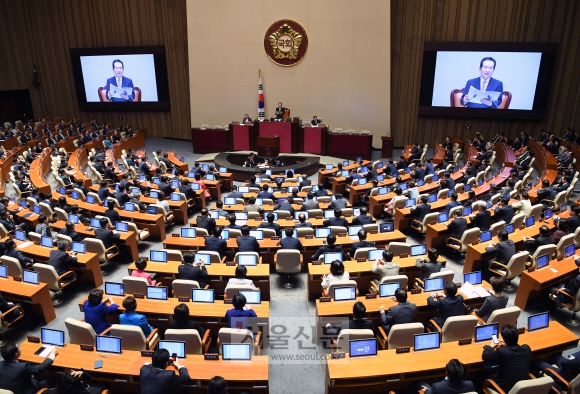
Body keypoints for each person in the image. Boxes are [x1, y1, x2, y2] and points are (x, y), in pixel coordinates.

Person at [482, 324, 531, 392]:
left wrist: (490, 346)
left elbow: (485, 356)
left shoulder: (502, 351)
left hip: (507, 387)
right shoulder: (526, 348)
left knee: (482, 375)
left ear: (504, 339)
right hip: (525, 385)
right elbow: (517, 349)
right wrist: (508, 344)